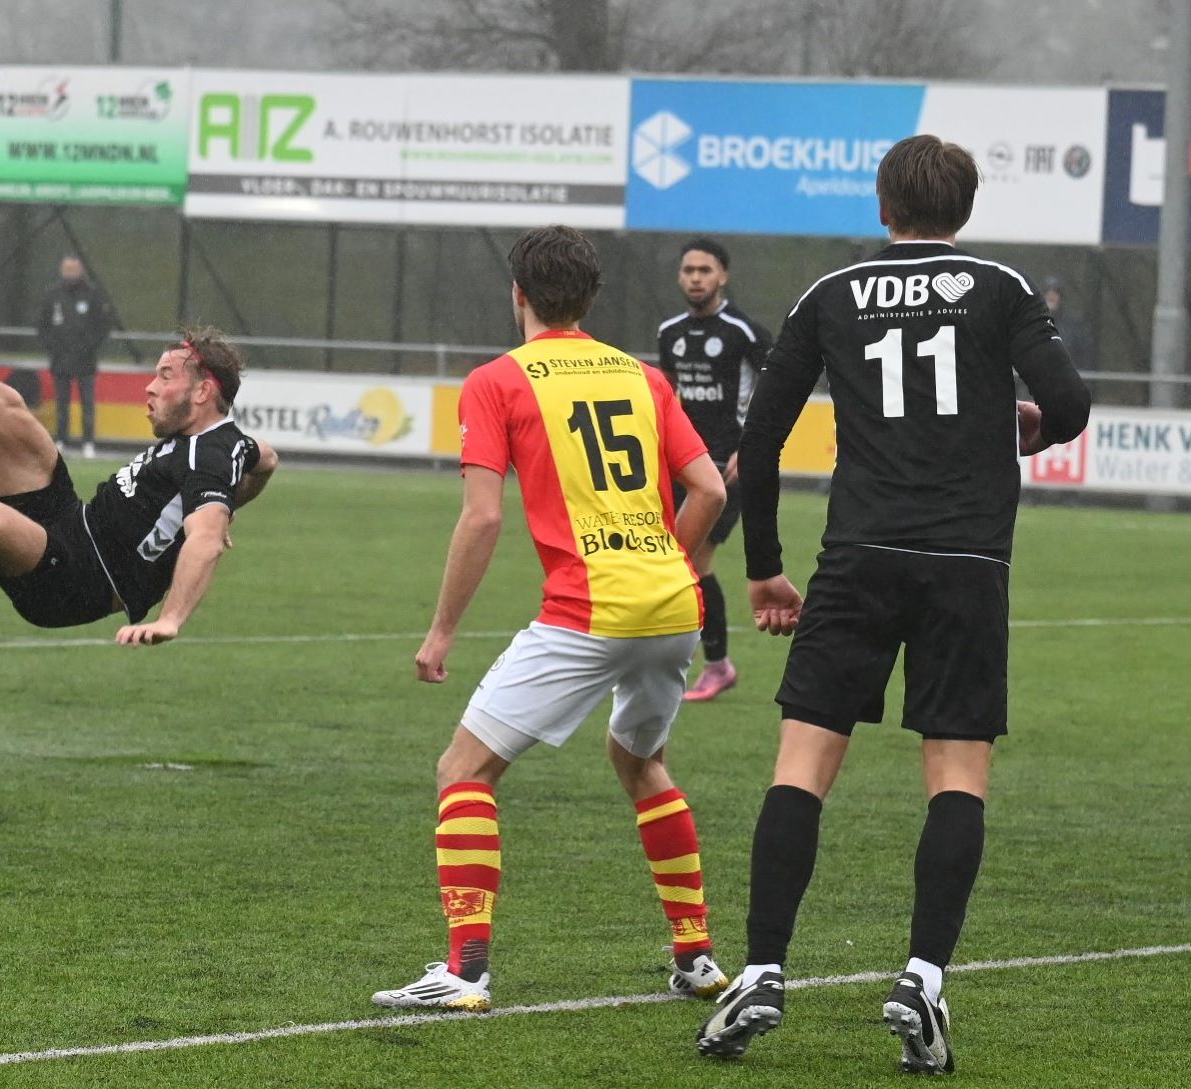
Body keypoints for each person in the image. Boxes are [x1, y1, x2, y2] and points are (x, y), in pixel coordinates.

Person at [694, 135, 1091, 1073]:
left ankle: (759, 971)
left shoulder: (829, 294)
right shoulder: (998, 286)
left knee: (804, 762)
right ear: (964, 210)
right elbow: (1068, 402)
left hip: (857, 556)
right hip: (967, 561)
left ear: (882, 208)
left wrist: (763, 568)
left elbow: (763, 431)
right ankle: (921, 977)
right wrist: (1026, 427)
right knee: (956, 772)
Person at [371, 225, 732, 1014]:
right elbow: (709, 489)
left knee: (462, 770)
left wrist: (440, 633)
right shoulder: (643, 377)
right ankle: (697, 956)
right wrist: (661, 559)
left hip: (585, 608)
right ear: (591, 298)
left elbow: (481, 520)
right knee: (641, 764)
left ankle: (465, 969)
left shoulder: (498, 380)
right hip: (674, 603)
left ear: (519, 294)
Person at [0, 225, 278, 661]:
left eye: (165, 377)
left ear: (202, 392)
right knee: (4, 406)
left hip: (80, 582)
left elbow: (206, 540)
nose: (150, 388)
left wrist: (171, 618)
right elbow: (267, 460)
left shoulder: (210, 454)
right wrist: (229, 501)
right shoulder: (230, 446)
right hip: (72, 522)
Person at [656, 237, 772, 702]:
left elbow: (778, 382)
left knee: (694, 561)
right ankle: (695, 658)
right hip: (684, 464)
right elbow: (669, 396)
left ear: (722, 276)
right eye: (689, 270)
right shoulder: (670, 332)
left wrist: (754, 445)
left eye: (705, 270)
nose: (696, 278)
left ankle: (716, 664)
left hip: (727, 468)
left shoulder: (743, 331)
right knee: (677, 560)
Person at [35, 253, 116, 459]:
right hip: (60, 359)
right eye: (66, 269)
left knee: (87, 404)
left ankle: (88, 442)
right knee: (62, 404)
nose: (70, 273)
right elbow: (42, 326)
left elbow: (103, 325)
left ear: (80, 270)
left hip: (86, 360)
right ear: (62, 270)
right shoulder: (52, 294)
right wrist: (54, 347)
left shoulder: (92, 293)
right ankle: (61, 440)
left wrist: (90, 346)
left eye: (73, 269)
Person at [1042, 278, 1097, 372]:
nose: (1051, 296)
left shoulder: (1074, 326)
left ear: (1061, 297)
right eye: (1047, 291)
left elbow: (1084, 358)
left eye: (1055, 292)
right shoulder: (1030, 324)